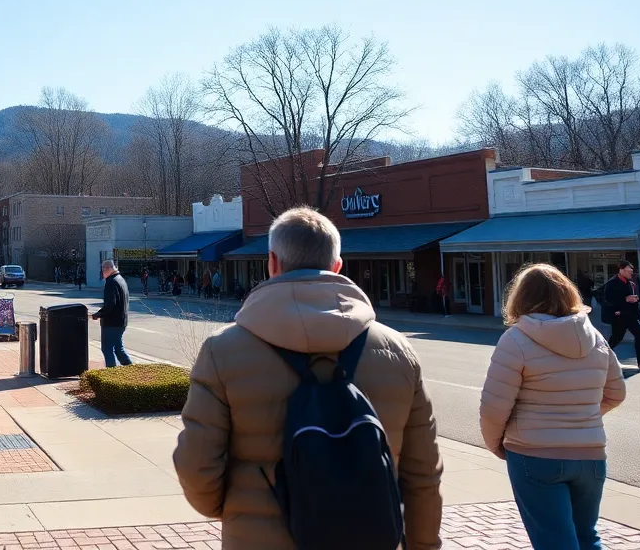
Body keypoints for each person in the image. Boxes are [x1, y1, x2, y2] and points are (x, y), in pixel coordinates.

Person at [173, 206, 443, 549]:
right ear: (337, 266)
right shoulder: (398, 352)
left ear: (271, 263)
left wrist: (240, 509)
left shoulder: (222, 351)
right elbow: (424, 477)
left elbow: (197, 468)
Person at [480, 264, 627, 550]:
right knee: (587, 537)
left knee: (553, 541)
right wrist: (583, 418)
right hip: (591, 456)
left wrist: (497, 445)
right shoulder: (595, 337)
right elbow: (616, 393)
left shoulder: (515, 339)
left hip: (534, 454)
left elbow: (493, 408)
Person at [603, 261, 640, 371]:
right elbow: (607, 300)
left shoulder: (630, 283)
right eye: (628, 271)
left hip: (631, 315)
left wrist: (636, 299)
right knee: (616, 339)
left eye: (631, 271)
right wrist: (624, 299)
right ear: (621, 270)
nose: (630, 273)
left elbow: (634, 298)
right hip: (620, 317)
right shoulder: (612, 283)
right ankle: (601, 355)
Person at [92, 260, 132, 367]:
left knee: (107, 349)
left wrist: (97, 315)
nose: (102, 272)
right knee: (119, 349)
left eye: (103, 269)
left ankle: (111, 374)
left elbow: (110, 305)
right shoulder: (121, 280)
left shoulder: (111, 283)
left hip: (111, 323)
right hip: (121, 321)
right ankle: (132, 370)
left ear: (108, 269)